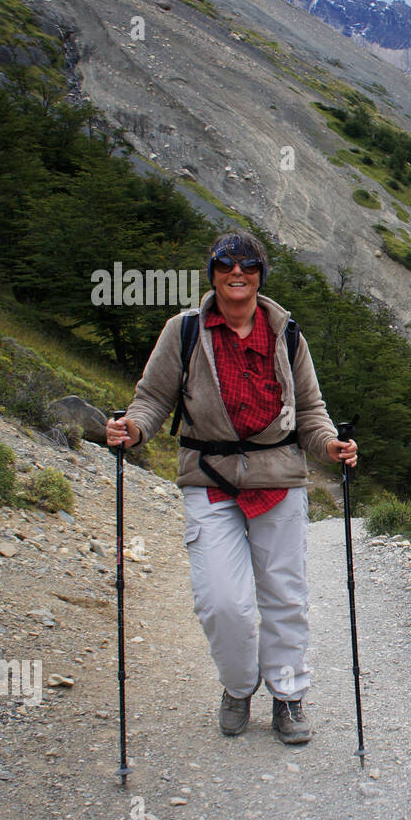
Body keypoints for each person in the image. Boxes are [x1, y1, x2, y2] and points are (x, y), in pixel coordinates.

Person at [105, 231, 357, 745]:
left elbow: (310, 412)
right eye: (225, 264)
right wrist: (131, 429)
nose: (236, 273)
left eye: (248, 265)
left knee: (284, 594)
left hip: (279, 477)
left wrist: (330, 445)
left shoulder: (287, 333)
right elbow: (153, 398)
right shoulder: (184, 331)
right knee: (224, 601)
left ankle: (287, 696)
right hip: (210, 477)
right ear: (212, 272)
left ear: (261, 274)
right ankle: (239, 686)